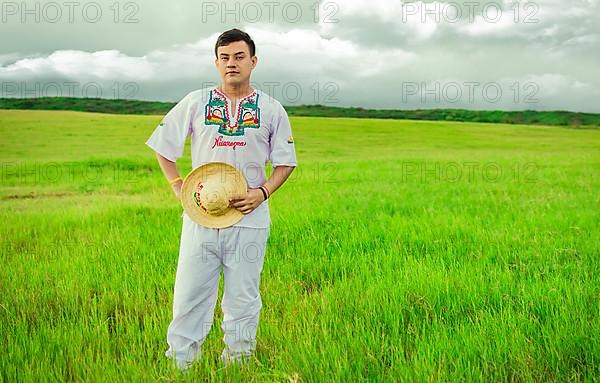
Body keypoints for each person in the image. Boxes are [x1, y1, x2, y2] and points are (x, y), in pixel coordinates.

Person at [145, 28, 297, 370]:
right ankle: (181, 366)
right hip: (200, 217)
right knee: (189, 294)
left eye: (239, 57)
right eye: (225, 57)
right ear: (216, 63)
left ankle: (238, 365)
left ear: (253, 61)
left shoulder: (271, 109)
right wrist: (178, 188)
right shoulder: (195, 102)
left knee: (243, 297)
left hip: (250, 220)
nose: (232, 64)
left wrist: (262, 193)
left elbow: (285, 163)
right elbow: (163, 147)